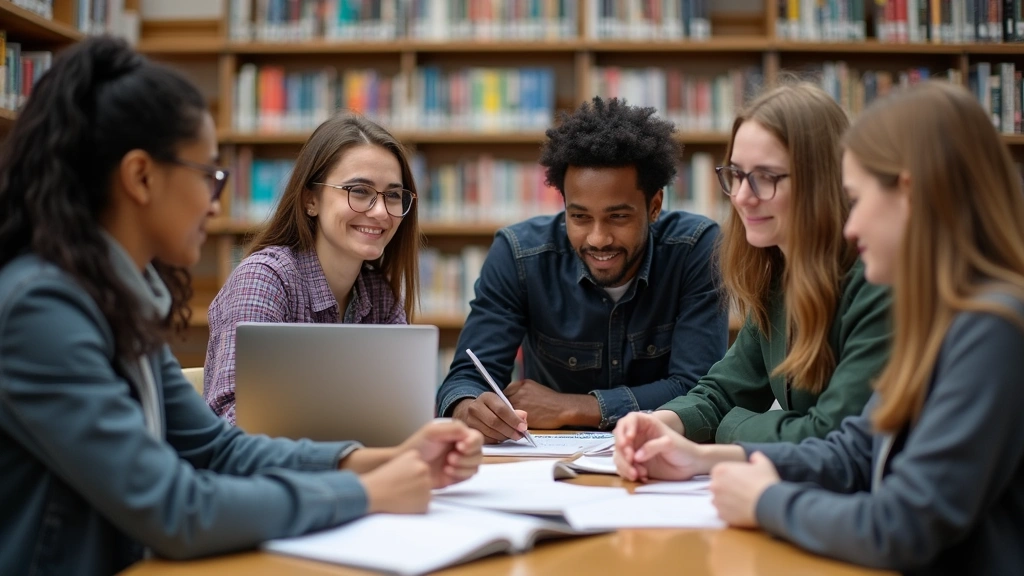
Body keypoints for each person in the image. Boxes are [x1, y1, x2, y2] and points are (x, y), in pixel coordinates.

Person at [0, 37, 481, 576]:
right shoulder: (39, 311)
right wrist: (363, 491)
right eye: (208, 174)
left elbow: (219, 449)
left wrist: (383, 459)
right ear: (140, 177)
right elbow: (176, 508)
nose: (216, 199)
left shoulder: (115, 302)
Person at [614, 81, 1024, 574]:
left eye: (857, 197)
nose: (851, 225)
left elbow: (903, 525)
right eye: (737, 176)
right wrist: (704, 460)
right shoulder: (943, 316)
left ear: (909, 194)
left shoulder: (990, 327)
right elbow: (854, 452)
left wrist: (765, 499)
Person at [436, 96, 729, 442]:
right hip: (545, 466)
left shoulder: (696, 249)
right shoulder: (518, 255)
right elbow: (465, 380)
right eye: (579, 217)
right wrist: (470, 406)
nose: (598, 238)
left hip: (659, 459)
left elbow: (698, 392)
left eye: (618, 217)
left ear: (654, 207)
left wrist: (574, 407)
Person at [646, 83, 892, 444]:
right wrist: (660, 422)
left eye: (765, 177)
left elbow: (829, 433)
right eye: (737, 174)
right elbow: (724, 392)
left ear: (820, 182)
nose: (743, 197)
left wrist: (732, 426)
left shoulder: (876, 283)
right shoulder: (780, 277)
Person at [204, 113, 420, 423]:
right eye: (359, 191)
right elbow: (232, 419)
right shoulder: (265, 278)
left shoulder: (380, 296)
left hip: (354, 468)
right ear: (310, 200)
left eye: (394, 196)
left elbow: (401, 413)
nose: (380, 211)